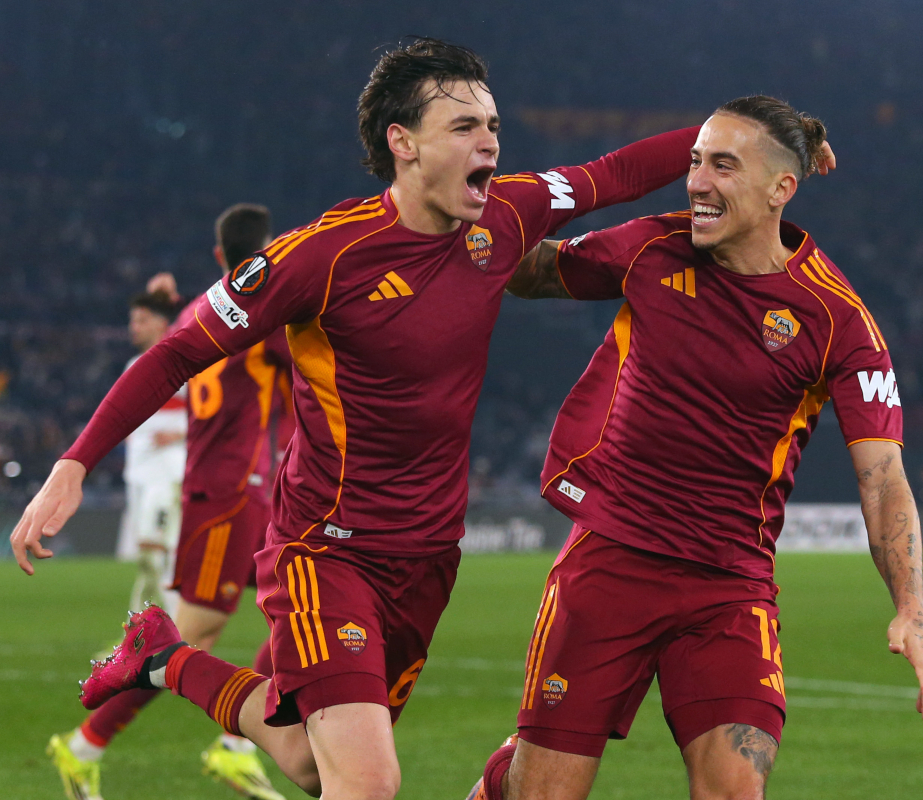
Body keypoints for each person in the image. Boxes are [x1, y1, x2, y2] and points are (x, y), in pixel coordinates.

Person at [13, 38, 709, 800]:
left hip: (429, 557)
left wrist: (733, 136)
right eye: (464, 126)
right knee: (369, 784)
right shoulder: (322, 257)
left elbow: (614, 175)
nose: (490, 141)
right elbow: (176, 352)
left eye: (494, 124)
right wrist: (74, 464)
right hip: (325, 547)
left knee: (312, 764)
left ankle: (162, 656)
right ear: (402, 144)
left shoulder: (506, 214)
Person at [469, 96, 923, 800]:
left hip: (729, 584)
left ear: (782, 187)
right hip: (611, 562)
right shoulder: (656, 246)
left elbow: (882, 477)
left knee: (733, 791)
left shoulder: (838, 319)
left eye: (723, 165)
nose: (697, 182)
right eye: (693, 163)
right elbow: (533, 272)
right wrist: (464, 225)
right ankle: (509, 777)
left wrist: (911, 605)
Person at [46, 205, 291, 800]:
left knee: (299, 609)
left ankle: (233, 747)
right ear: (272, 250)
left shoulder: (204, 310)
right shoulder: (270, 321)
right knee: (186, 639)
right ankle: (83, 747)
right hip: (228, 494)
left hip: (248, 489)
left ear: (217, 258)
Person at [117, 292, 188, 614]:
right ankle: (149, 631)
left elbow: (213, 411)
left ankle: (164, 632)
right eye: (133, 320)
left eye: (142, 320)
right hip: (139, 474)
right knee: (151, 558)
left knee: (157, 554)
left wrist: (181, 432)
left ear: (162, 324)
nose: (134, 327)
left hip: (169, 473)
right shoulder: (133, 366)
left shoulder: (183, 365)